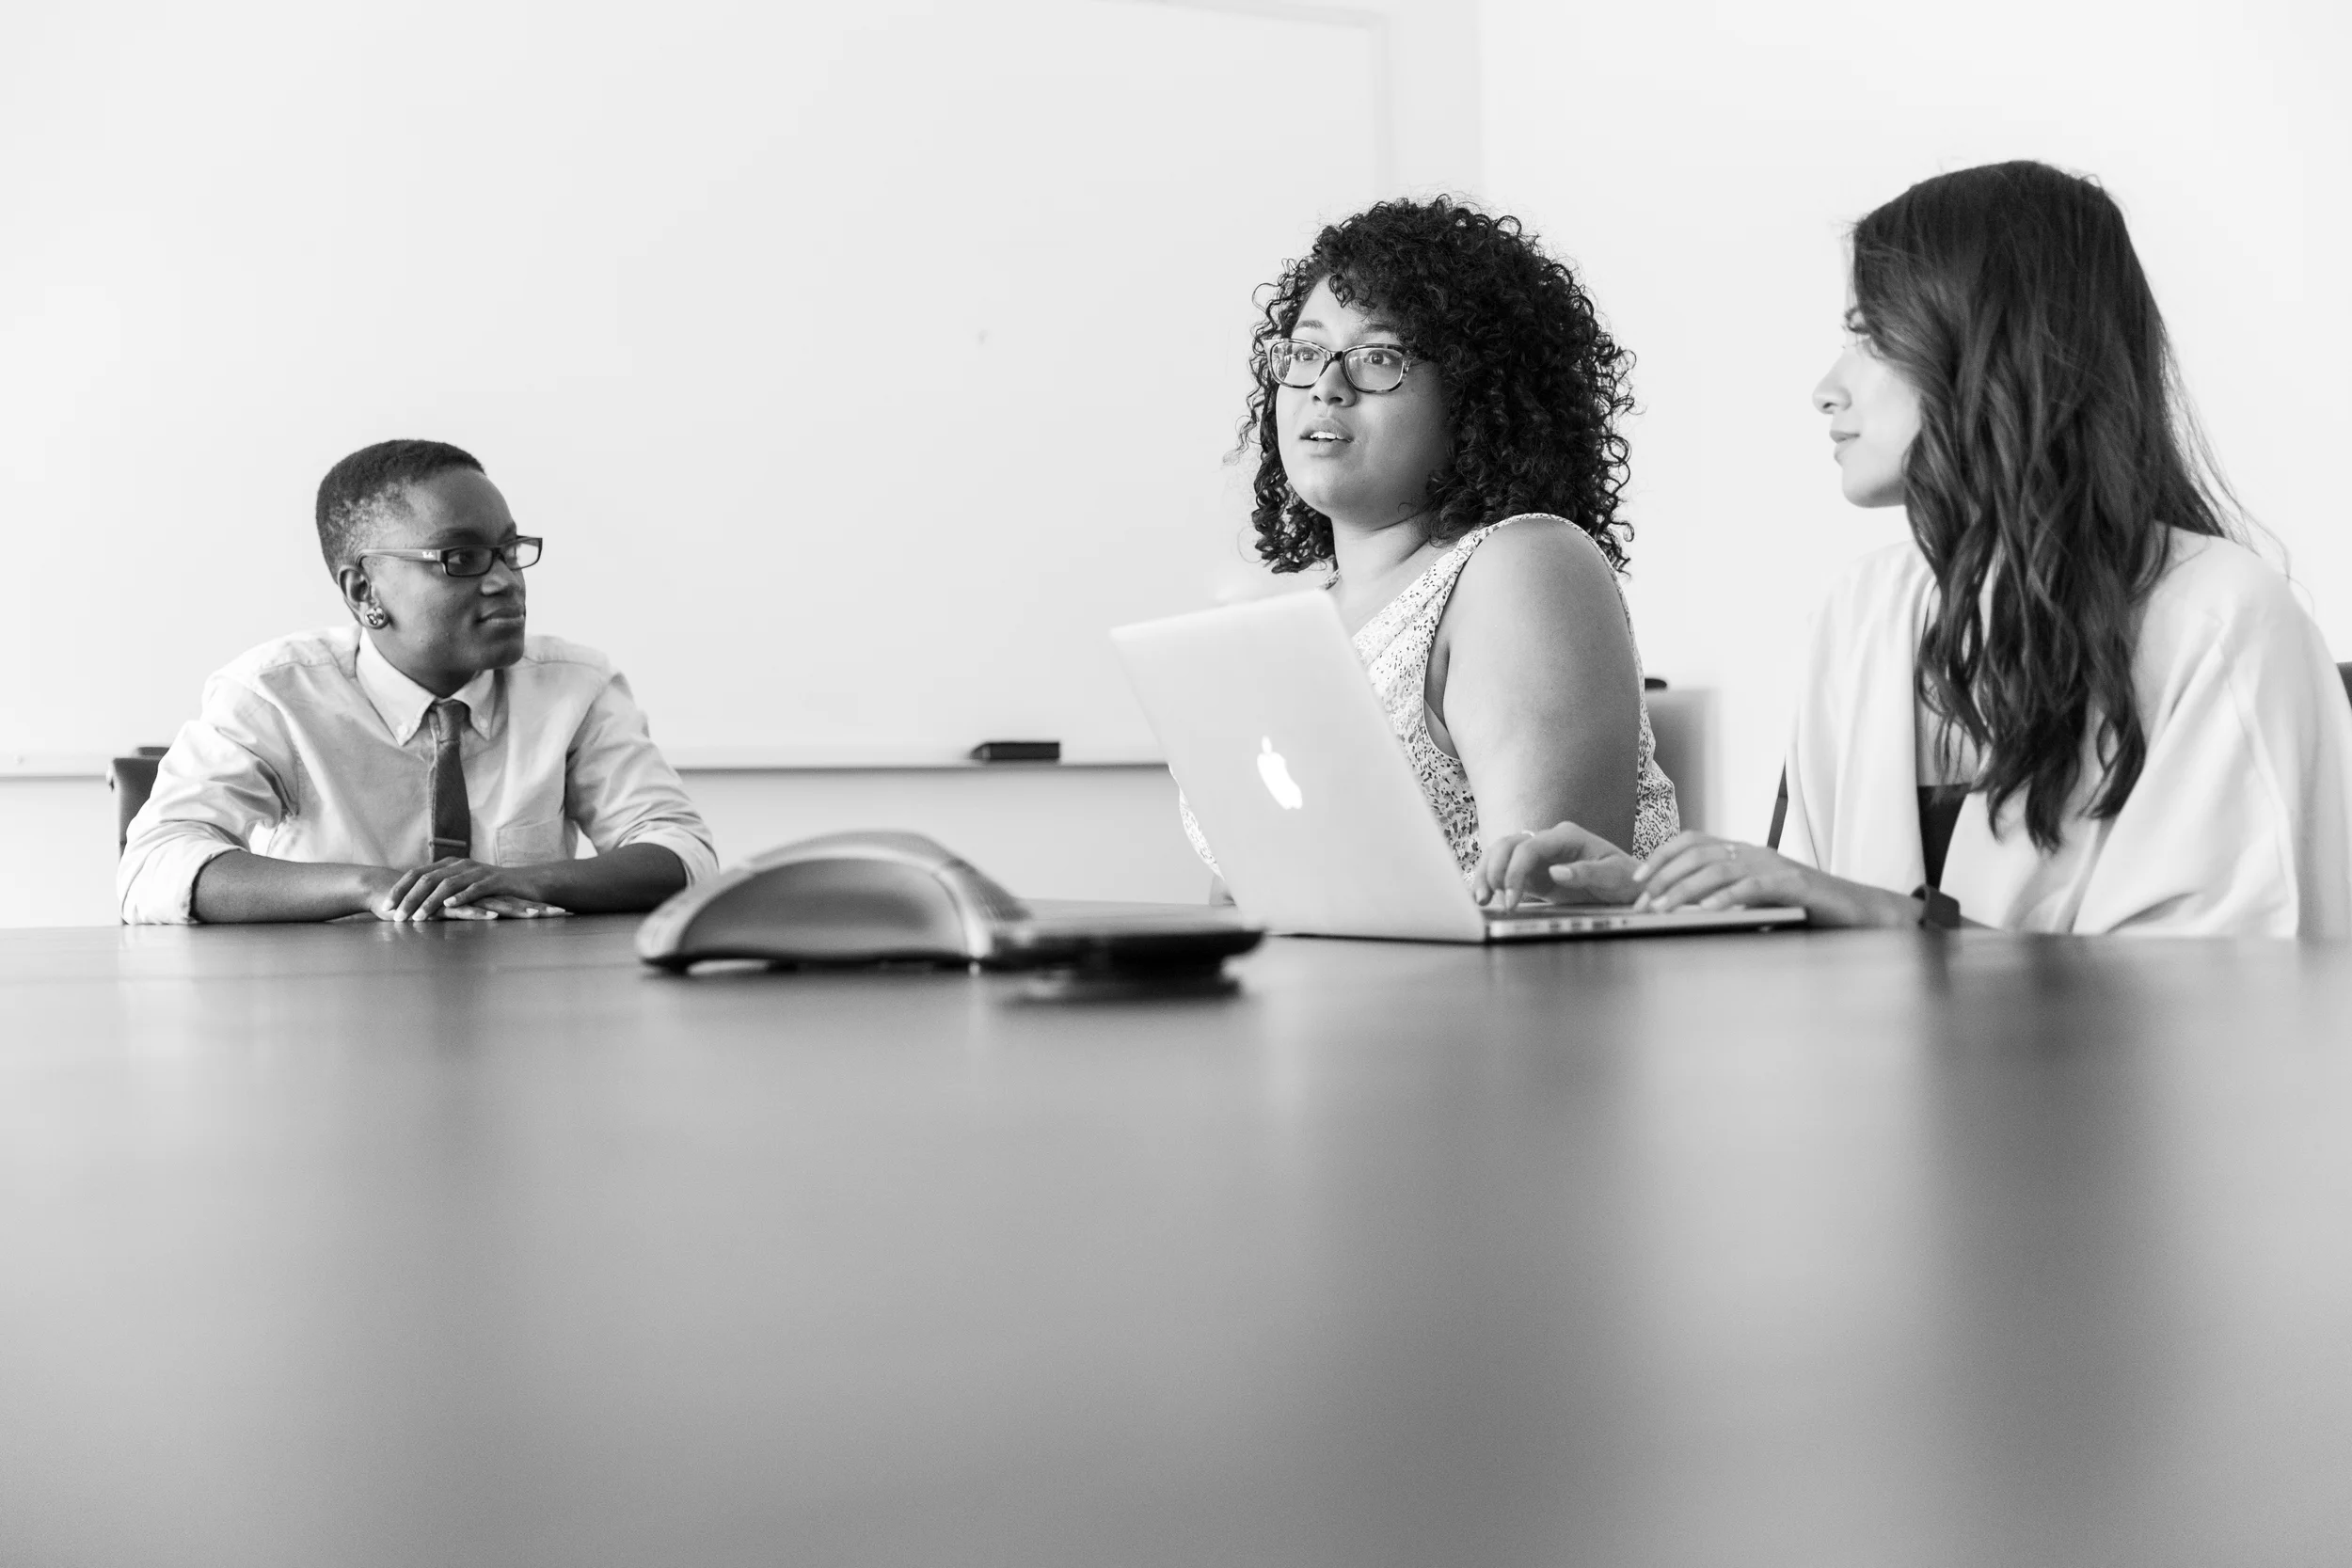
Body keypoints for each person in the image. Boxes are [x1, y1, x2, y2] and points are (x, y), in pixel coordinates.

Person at [1479, 161, 2352, 935]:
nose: (1827, 388)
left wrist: (1889, 920)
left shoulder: (2223, 624)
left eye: (1867, 334)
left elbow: (2224, 1009)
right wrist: (1658, 896)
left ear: (1987, 347)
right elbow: (1809, 920)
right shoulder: (1859, 612)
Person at [1184, 196, 1678, 882]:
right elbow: (1242, 904)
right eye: (1306, 351)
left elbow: (1542, 914)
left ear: (1474, 395)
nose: (1326, 385)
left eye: (1378, 356)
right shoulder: (1293, 624)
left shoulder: (1524, 566)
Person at [119, 439, 717, 924]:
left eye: (509, 550)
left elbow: (682, 851)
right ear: (364, 591)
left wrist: (515, 881)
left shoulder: (573, 686)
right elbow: (156, 864)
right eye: (460, 559)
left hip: (523, 1009)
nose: (506, 580)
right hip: (329, 1016)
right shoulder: (276, 692)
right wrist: (373, 888)